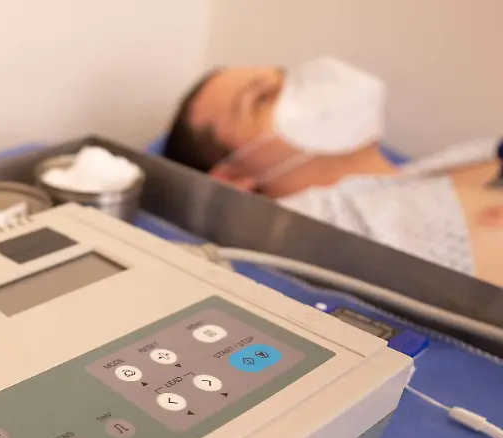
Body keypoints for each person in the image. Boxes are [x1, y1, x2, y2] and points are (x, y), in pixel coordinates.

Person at [163, 57, 503, 286]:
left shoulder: (454, 162)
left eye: (286, 77)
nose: (300, 88)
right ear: (232, 177)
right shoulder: (312, 224)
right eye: (262, 98)